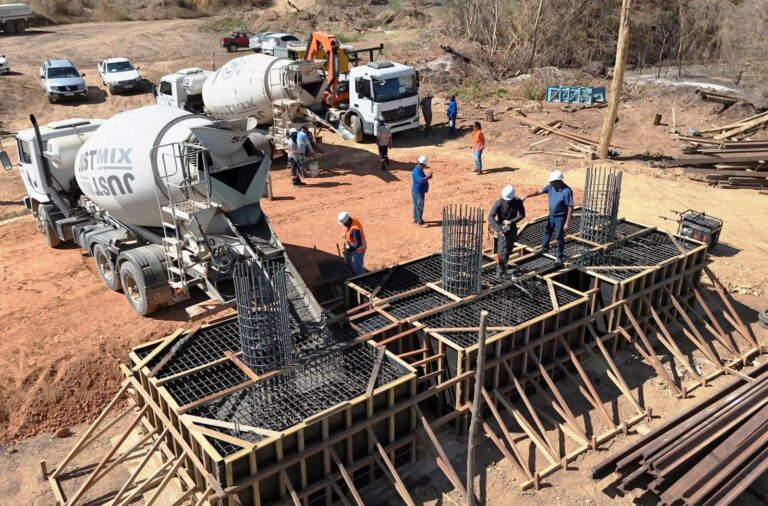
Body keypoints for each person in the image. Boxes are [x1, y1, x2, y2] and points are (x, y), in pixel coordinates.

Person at [523, 170, 574, 260]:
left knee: (559, 236)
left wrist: (567, 223)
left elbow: (570, 207)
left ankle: (559, 256)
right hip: (552, 215)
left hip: (560, 217)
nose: (550, 183)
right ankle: (544, 248)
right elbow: (539, 191)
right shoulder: (551, 186)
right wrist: (527, 196)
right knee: (548, 231)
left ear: (558, 181)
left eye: (552, 182)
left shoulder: (567, 191)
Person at [488, 185, 526, 279]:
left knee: (509, 249)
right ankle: (499, 273)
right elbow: (490, 216)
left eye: (509, 200)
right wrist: (499, 230)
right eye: (506, 199)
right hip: (502, 231)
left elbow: (522, 214)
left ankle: (504, 268)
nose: (507, 201)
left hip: (512, 230)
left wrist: (511, 221)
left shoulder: (517, 202)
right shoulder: (499, 203)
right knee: (501, 252)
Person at [411, 155, 432, 226]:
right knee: (419, 205)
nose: (424, 167)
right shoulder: (416, 171)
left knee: (416, 205)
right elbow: (420, 180)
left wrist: (427, 177)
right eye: (424, 165)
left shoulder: (419, 170)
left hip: (418, 190)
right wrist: (428, 177)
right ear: (422, 164)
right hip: (418, 191)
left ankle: (416, 218)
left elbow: (423, 177)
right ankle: (419, 221)